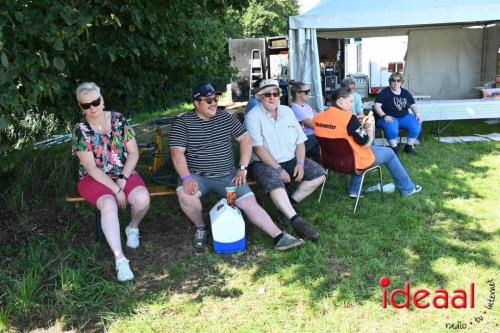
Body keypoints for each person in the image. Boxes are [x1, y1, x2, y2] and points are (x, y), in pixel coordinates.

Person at [169, 82, 305, 251]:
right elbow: (177, 154)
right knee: (186, 195)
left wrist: (242, 168)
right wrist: (186, 178)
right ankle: (201, 227)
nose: (214, 103)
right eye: (208, 100)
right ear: (197, 103)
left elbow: (246, 139)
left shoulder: (226, 118)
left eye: (216, 99)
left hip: (228, 176)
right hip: (197, 176)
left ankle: (279, 236)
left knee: (249, 202)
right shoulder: (183, 123)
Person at [72, 82, 150, 282]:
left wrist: (122, 180)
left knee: (142, 198)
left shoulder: (118, 120)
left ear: (102, 100)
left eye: (95, 102)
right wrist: (116, 190)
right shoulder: (80, 130)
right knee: (108, 204)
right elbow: (91, 168)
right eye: (86, 105)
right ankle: (120, 259)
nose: (92, 108)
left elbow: (133, 153)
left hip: (122, 172)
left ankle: (132, 227)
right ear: (81, 107)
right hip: (93, 179)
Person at [244, 79, 326, 241]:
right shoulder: (253, 116)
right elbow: (259, 149)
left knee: (319, 174)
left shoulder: (288, 111)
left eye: (275, 94)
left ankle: (288, 206)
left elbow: (300, 141)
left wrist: (301, 164)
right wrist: (279, 169)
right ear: (259, 96)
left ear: (279, 95)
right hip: (262, 161)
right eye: (267, 94)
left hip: (290, 158)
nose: (271, 97)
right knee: (275, 182)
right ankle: (297, 221)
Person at [312, 87, 422, 197]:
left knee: (353, 150)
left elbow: (336, 132)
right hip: (352, 162)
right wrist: (370, 128)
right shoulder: (349, 118)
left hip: (329, 161)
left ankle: (355, 191)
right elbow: (367, 143)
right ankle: (408, 189)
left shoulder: (317, 117)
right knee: (389, 153)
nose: (351, 105)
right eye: (350, 101)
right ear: (341, 100)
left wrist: (357, 125)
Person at [373, 72, 422, 155]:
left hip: (404, 116)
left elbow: (413, 105)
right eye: (393, 80)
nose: (396, 82)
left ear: (401, 82)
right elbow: (376, 106)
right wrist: (384, 116)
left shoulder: (405, 92)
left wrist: (417, 113)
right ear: (390, 82)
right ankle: (394, 148)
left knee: (416, 122)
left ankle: (409, 147)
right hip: (387, 117)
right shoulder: (384, 93)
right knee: (391, 126)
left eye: (398, 80)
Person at [290, 82, 321, 163]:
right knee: (321, 137)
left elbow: (320, 117)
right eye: (306, 92)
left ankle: (322, 170)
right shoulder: (295, 109)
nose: (308, 94)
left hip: (312, 137)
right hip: (304, 140)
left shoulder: (306, 106)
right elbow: (313, 126)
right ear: (297, 94)